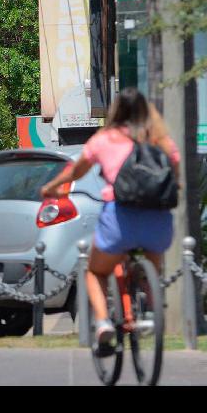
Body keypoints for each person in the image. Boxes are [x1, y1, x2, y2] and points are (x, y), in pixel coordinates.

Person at [40, 87, 180, 346]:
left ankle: (103, 322)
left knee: (95, 272)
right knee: (153, 259)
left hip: (120, 219)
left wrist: (51, 188)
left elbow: (75, 171)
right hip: (158, 220)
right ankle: (150, 303)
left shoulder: (105, 140)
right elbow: (175, 167)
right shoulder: (159, 138)